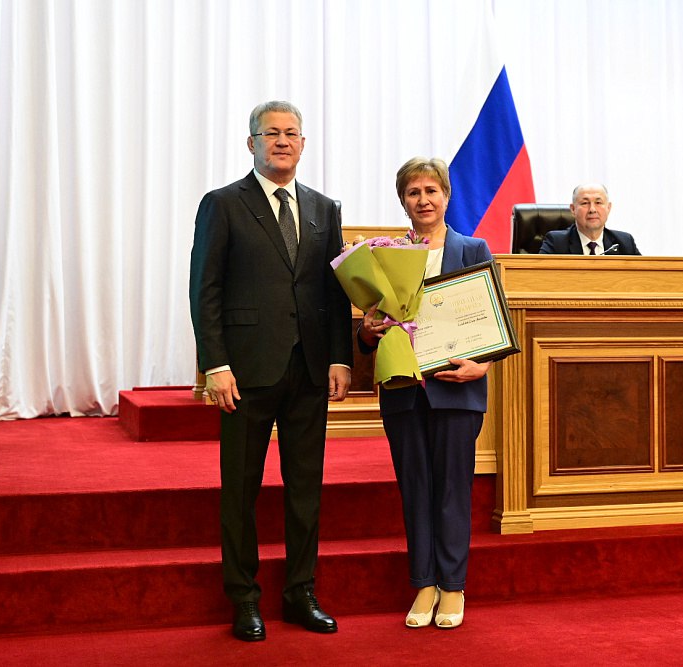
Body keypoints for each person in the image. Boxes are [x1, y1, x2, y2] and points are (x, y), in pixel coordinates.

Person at [189, 100, 353, 642]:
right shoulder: (223, 204)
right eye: (271, 133)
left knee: (305, 487)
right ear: (251, 143)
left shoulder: (324, 208)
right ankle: (244, 596)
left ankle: (300, 591)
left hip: (308, 370)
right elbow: (204, 290)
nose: (282, 141)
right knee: (241, 487)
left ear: (303, 144)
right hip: (245, 371)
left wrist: (339, 357)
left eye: (291, 133)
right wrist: (215, 363)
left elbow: (334, 293)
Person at [357, 157, 491, 630]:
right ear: (402, 200)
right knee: (415, 489)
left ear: (447, 196)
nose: (423, 200)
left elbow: (492, 319)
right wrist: (368, 333)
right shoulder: (384, 255)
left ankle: (453, 586)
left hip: (457, 390)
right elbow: (371, 328)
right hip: (403, 391)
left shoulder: (473, 248)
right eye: (414, 192)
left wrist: (482, 363)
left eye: (431, 191)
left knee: (452, 491)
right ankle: (424, 584)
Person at [538, 183, 641, 255]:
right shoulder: (556, 243)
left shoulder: (625, 242)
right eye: (585, 203)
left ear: (608, 208)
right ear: (573, 209)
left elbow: (643, 279)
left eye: (598, 203)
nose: (592, 209)